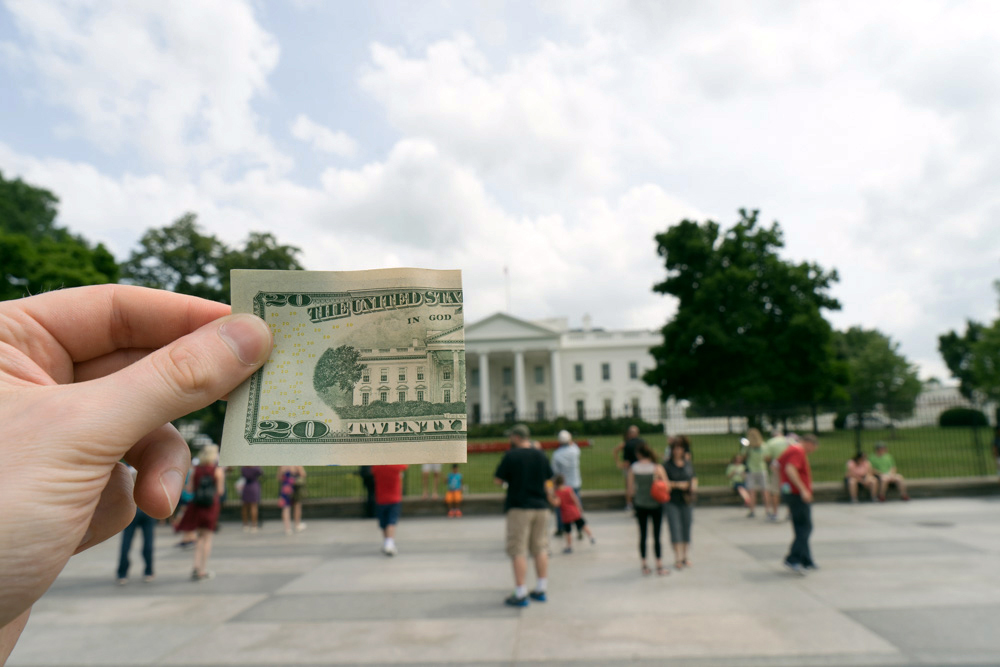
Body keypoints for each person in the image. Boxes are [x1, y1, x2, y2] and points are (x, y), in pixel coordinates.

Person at [0, 284, 273, 662]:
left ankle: (130, 571)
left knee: (132, 528)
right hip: (143, 497)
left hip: (136, 498)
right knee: (140, 523)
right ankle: (149, 570)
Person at [494, 424, 555, 606]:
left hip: (520, 507)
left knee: (518, 549)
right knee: (540, 548)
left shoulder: (511, 455)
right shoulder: (540, 454)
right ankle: (541, 588)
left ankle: (520, 592)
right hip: (541, 507)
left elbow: (498, 480)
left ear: (516, 437)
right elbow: (548, 480)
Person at [175, 444, 226, 581]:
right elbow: (220, 492)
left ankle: (195, 567)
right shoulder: (217, 471)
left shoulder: (196, 470)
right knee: (207, 538)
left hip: (197, 506)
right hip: (211, 507)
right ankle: (203, 569)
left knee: (199, 538)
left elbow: (189, 489)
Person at [778, 433, 819, 575]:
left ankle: (806, 559)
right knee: (806, 527)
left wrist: (784, 484)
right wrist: (803, 490)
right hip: (796, 493)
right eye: (813, 448)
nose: (812, 451)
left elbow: (776, 465)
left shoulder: (790, 449)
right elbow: (790, 469)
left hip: (789, 491)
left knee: (800, 526)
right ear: (809, 443)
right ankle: (793, 558)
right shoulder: (798, 450)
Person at [627, 441, 668, 576]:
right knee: (657, 535)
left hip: (640, 504)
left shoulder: (634, 468)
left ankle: (644, 564)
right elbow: (667, 486)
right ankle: (659, 565)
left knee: (643, 535)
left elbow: (630, 489)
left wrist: (630, 502)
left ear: (639, 454)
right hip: (656, 504)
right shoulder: (657, 467)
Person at [116, 466, 156, 585]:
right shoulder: (150, 470)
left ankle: (122, 573)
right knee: (148, 544)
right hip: (147, 510)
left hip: (131, 510)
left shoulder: (127, 471)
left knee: (126, 543)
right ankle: (148, 571)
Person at [664, 436, 697, 570]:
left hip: (686, 500)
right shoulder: (666, 465)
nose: (678, 451)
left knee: (686, 527)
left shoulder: (688, 464)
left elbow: (693, 477)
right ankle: (677, 557)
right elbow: (663, 483)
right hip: (672, 500)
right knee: (675, 528)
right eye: (676, 448)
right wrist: (678, 485)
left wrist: (693, 485)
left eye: (680, 448)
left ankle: (685, 556)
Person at [550, 429, 582, 536]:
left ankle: (561, 528)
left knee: (560, 508)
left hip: (562, 486)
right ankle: (579, 527)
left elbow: (555, 472)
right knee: (576, 505)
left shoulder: (557, 454)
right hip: (575, 483)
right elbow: (573, 444)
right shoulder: (575, 450)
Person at [552, 475, 595, 553]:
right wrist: (579, 507)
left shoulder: (557, 493)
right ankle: (591, 536)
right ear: (563, 481)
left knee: (568, 531)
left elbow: (557, 503)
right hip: (574, 512)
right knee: (583, 524)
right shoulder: (569, 489)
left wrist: (551, 497)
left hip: (566, 514)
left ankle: (569, 546)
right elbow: (575, 499)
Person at [372, 464, 407, 555]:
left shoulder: (377, 466)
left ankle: (387, 542)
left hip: (381, 498)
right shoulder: (395, 466)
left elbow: (373, 472)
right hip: (394, 498)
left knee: (384, 523)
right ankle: (389, 542)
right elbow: (405, 465)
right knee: (391, 521)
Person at [763, 430, 791, 521]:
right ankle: (790, 512)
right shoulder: (789, 440)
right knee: (788, 490)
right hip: (790, 468)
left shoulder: (770, 442)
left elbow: (767, 457)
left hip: (777, 468)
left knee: (775, 491)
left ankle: (775, 513)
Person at [613, 425, 642, 509]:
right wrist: (619, 463)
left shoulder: (640, 442)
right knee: (629, 485)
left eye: (634, 432)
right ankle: (629, 503)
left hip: (639, 467)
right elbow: (616, 451)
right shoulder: (626, 443)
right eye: (631, 432)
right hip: (629, 467)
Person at [743, 428, 767, 518]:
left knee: (752, 492)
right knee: (764, 491)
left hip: (751, 470)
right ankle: (767, 510)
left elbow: (743, 457)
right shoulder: (763, 445)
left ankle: (752, 510)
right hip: (762, 469)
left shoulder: (748, 447)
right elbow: (767, 457)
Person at [278, 465, 307, 535]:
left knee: (286, 508)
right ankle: (297, 525)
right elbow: (303, 474)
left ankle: (287, 529)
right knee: (297, 506)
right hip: (294, 487)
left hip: (285, 488)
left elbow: (279, 478)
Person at [240, 466, 263, 532]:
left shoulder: (244, 468)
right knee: (254, 506)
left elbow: (242, 474)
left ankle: (245, 524)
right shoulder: (256, 468)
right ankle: (254, 525)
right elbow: (261, 473)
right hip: (254, 486)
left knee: (245, 507)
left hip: (246, 486)